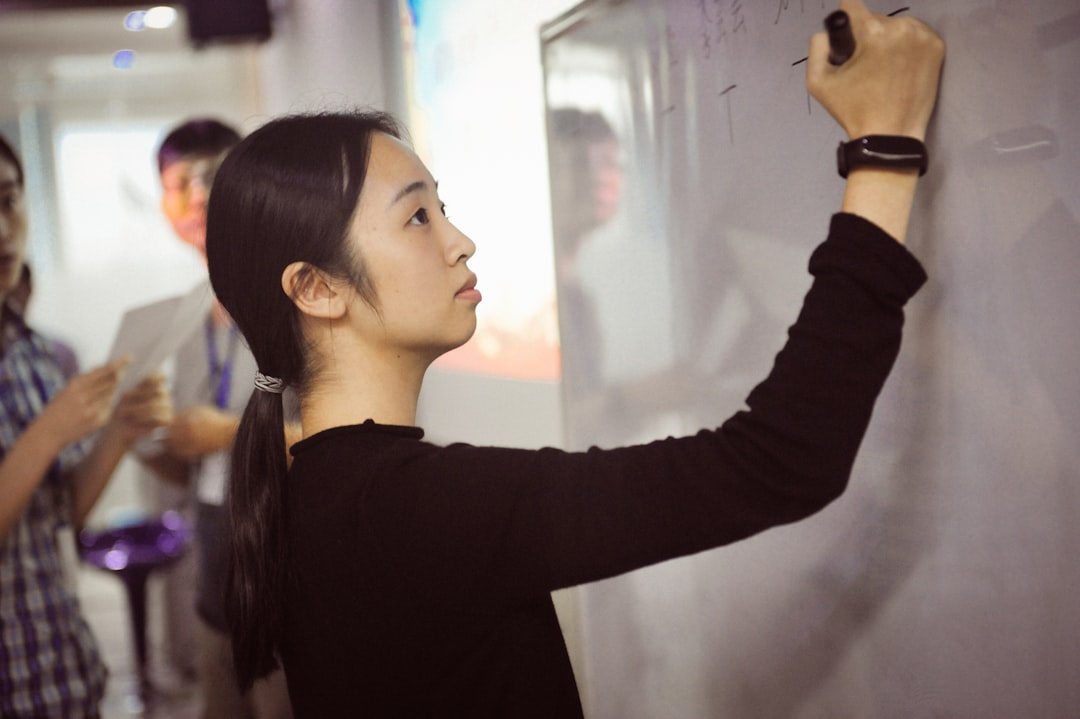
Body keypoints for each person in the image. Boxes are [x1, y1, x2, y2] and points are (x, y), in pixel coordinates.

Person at [204, 0, 944, 714]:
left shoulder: (313, 490)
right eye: (418, 216)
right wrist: (884, 154)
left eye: (444, 206)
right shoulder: (417, 509)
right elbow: (778, 461)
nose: (459, 241)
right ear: (316, 288)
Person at [0, 133, 173, 718]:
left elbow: (59, 513)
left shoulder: (31, 352)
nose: (3, 231)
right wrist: (50, 431)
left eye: (9, 201)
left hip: (62, 669)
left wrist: (119, 429)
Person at [145, 118, 294, 718]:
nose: (200, 196)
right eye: (182, 182)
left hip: (288, 585)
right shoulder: (187, 319)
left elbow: (349, 443)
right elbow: (191, 473)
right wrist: (138, 434)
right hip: (214, 575)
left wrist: (224, 432)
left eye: (216, 176)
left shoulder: (296, 294)